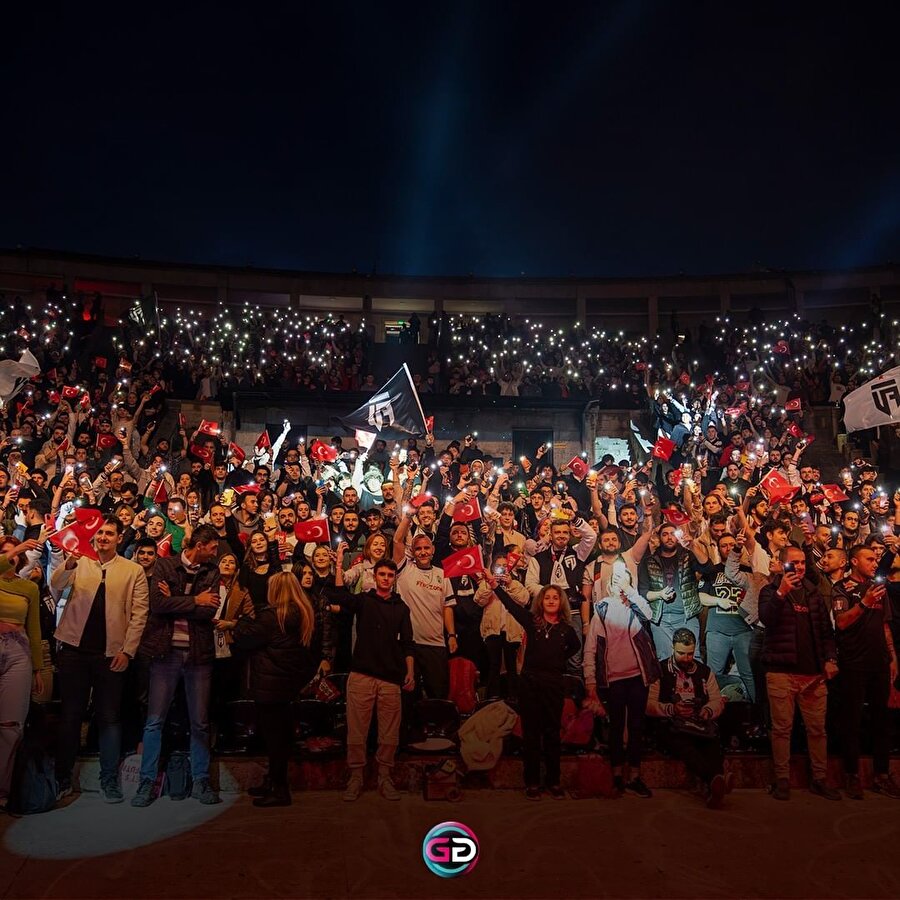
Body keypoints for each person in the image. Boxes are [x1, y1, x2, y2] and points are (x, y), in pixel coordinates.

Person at [50, 517, 150, 802]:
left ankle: (109, 780)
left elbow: (139, 614)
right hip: (73, 650)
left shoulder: (133, 571)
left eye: (109, 533)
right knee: (70, 717)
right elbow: (55, 585)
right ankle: (62, 778)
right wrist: (67, 564)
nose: (103, 537)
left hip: (111, 654)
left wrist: (127, 651)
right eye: (100, 533)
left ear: (119, 538)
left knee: (109, 718)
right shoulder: (79, 561)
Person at [131, 525, 223, 807]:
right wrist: (195, 599)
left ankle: (200, 780)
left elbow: (210, 610)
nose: (216, 553)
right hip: (165, 652)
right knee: (154, 720)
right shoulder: (165, 564)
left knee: (200, 722)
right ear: (199, 545)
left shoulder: (212, 572)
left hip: (197, 654)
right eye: (213, 548)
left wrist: (175, 599)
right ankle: (146, 782)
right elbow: (157, 605)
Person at [758, 546, 841, 801]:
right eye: (795, 563)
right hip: (781, 673)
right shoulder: (770, 591)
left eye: (804, 562)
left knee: (818, 730)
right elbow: (766, 620)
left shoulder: (814, 593)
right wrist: (782, 592)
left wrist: (829, 659)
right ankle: (782, 779)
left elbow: (826, 631)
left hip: (813, 675)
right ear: (783, 565)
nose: (800, 567)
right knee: (782, 729)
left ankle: (819, 779)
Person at [331, 559, 415, 802]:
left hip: (390, 678)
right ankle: (356, 777)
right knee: (357, 732)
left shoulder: (401, 608)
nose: (386, 578)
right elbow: (338, 596)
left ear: (394, 578)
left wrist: (409, 671)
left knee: (389, 734)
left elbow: (408, 643)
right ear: (375, 576)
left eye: (390, 574)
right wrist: (339, 566)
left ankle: (384, 777)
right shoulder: (364, 601)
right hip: (362, 676)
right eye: (382, 574)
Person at [488, 579, 579, 800]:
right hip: (530, 683)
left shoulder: (566, 630)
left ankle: (553, 781)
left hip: (554, 685)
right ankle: (532, 782)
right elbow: (512, 606)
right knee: (531, 734)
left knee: (551, 734)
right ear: (541, 602)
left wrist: (557, 661)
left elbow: (575, 647)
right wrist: (495, 587)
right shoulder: (532, 622)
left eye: (555, 597)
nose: (550, 600)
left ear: (561, 602)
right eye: (547, 597)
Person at [232, 572, 316, 807]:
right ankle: (273, 781)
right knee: (280, 736)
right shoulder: (302, 613)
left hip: (270, 685)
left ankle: (279, 789)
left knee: (274, 739)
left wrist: (244, 620)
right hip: (287, 683)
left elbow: (245, 638)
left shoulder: (273, 617)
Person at [584, 561, 660, 797]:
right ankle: (617, 775)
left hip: (637, 676)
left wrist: (630, 591)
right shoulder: (602, 608)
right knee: (616, 727)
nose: (618, 583)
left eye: (622, 579)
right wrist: (590, 680)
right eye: (615, 580)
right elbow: (591, 647)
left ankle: (635, 776)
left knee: (637, 726)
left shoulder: (636, 605)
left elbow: (650, 615)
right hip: (613, 677)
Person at [831, 545, 900, 799]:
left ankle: (881, 775)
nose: (874, 563)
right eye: (869, 559)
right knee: (852, 721)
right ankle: (852, 775)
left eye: (875, 559)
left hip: (879, 663)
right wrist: (864, 602)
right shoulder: (842, 589)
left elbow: (884, 625)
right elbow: (841, 622)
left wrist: (893, 657)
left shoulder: (880, 589)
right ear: (854, 561)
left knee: (882, 721)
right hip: (853, 663)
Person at [647, 629, 728, 808]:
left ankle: (715, 783)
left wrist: (707, 710)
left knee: (712, 742)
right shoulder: (660, 670)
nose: (686, 658)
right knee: (683, 744)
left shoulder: (705, 672)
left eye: (690, 654)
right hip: (671, 724)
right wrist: (671, 709)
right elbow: (649, 704)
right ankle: (715, 779)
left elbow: (717, 700)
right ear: (672, 649)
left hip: (699, 723)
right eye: (681, 654)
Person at [0, 539, 45, 812]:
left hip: (19, 652)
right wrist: (15, 549)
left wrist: (38, 669)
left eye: (14, 552)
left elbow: (35, 628)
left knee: (10, 726)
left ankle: (3, 791)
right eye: (4, 552)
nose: (11, 556)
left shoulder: (28, 587)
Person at [638, 523, 702, 657]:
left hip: (686, 617)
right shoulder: (649, 561)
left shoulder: (688, 556)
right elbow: (643, 591)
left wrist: (693, 546)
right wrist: (659, 594)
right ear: (659, 538)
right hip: (661, 620)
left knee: (691, 658)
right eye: (665, 534)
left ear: (678, 537)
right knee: (665, 660)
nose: (669, 537)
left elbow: (708, 569)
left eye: (673, 534)